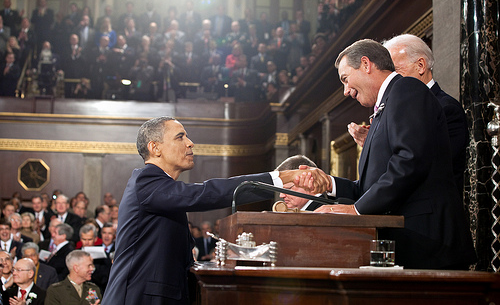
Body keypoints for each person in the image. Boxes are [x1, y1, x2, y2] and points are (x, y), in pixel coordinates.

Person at [102, 116, 331, 304]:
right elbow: (206, 193)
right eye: (180, 137)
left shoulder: (160, 188)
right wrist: (281, 177)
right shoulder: (146, 180)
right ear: (155, 148)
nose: (190, 143)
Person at [314, 39, 475, 270]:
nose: (346, 91)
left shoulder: (407, 88)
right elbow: (372, 187)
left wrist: (356, 210)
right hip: (408, 243)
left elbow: (410, 161)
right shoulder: (384, 108)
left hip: (426, 242)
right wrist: (328, 184)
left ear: (366, 64)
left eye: (345, 79)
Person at [348, 34, 468, 197]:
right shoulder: (392, 108)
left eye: (395, 71)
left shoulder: (446, 108)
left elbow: (421, 165)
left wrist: (384, 143)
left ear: (420, 65)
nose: (389, 79)